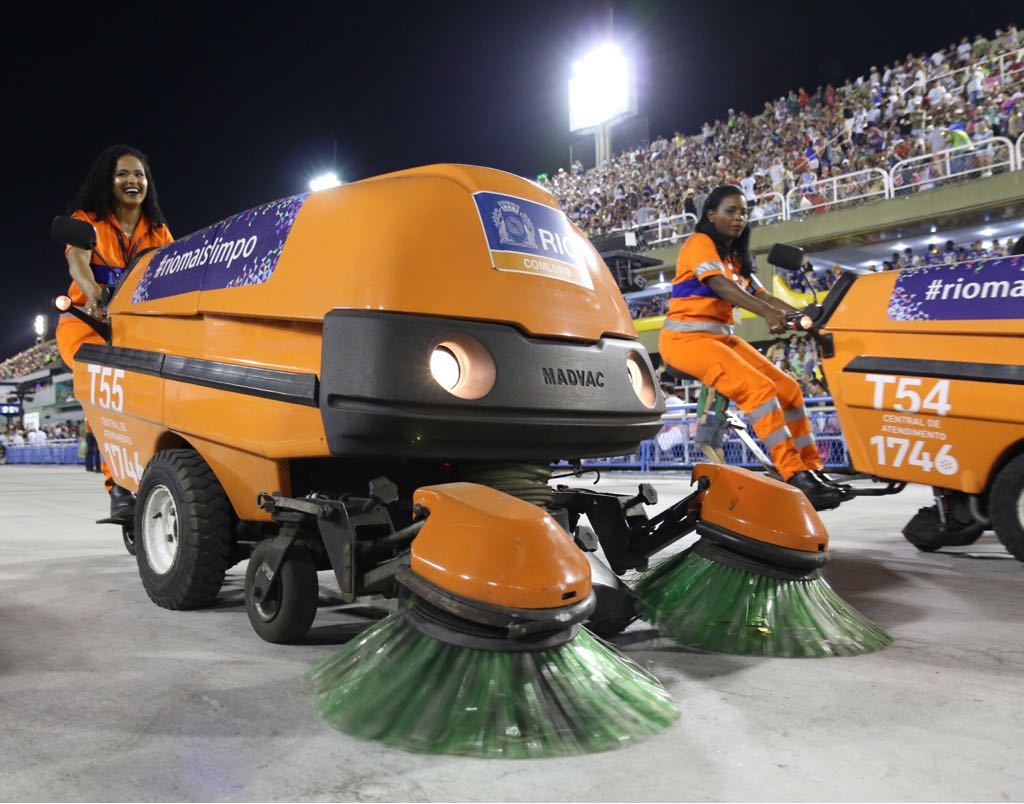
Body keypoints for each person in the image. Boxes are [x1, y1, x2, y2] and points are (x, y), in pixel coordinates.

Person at [658, 184, 845, 509]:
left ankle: (812, 468)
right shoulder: (700, 244)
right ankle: (792, 474)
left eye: (743, 212)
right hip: (685, 340)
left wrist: (810, 317)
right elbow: (719, 284)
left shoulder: (735, 258)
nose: (739, 217)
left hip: (720, 337)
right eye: (730, 211)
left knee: (789, 389)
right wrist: (767, 313)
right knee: (759, 389)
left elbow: (766, 297)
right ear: (711, 215)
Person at [56, 145, 173, 517]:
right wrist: (92, 292)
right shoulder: (87, 220)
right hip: (87, 326)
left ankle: (158, 477)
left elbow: (173, 275)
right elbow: (77, 260)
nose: (132, 181)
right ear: (109, 180)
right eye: (122, 174)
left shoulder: (158, 231)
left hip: (135, 330)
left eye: (138, 174)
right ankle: (118, 484)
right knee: (106, 392)